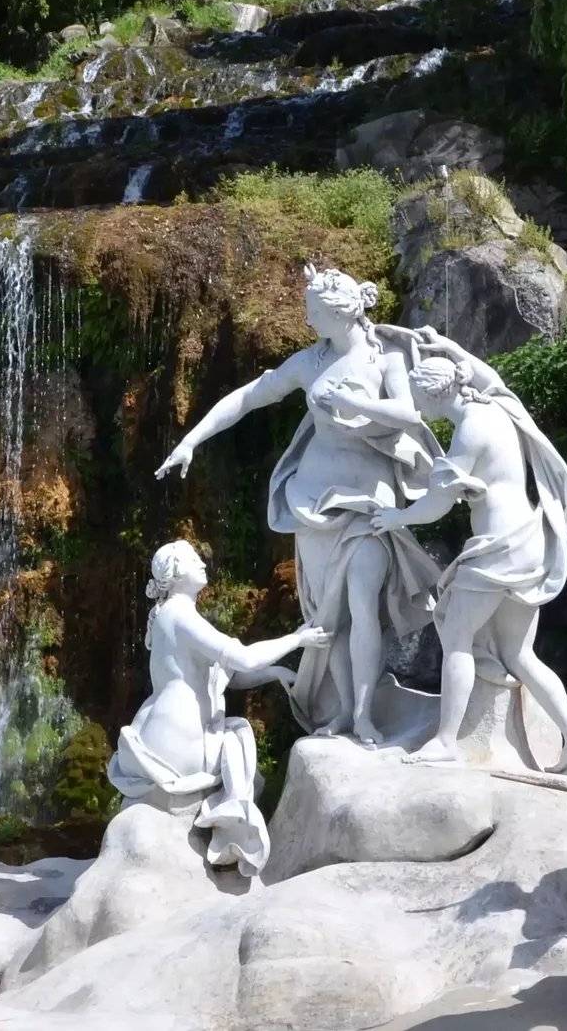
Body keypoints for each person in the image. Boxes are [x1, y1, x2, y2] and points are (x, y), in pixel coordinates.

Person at [156, 265, 440, 745]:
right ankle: (347, 712)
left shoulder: (383, 360)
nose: (307, 322)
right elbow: (249, 397)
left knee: (362, 603)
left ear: (341, 312)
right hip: (313, 501)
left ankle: (367, 714)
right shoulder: (309, 363)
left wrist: (358, 404)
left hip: (370, 501)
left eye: (313, 313)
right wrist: (192, 440)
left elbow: (408, 413)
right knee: (331, 618)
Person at [362, 345, 567, 772]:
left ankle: (447, 741)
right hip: (527, 540)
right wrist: (446, 346)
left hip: (498, 546)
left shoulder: (469, 428)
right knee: (519, 653)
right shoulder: (497, 406)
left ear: (434, 396)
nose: (418, 407)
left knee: (455, 634)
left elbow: (437, 503)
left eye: (419, 398)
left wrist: (397, 517)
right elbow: (489, 375)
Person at [108, 540, 331, 875]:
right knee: (238, 735)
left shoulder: (167, 616)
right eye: (193, 559)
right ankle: (232, 833)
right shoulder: (181, 615)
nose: (202, 562)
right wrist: (298, 639)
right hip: (179, 745)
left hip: (154, 733)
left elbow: (221, 679)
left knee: (232, 738)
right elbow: (242, 658)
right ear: (176, 571)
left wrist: (275, 673)